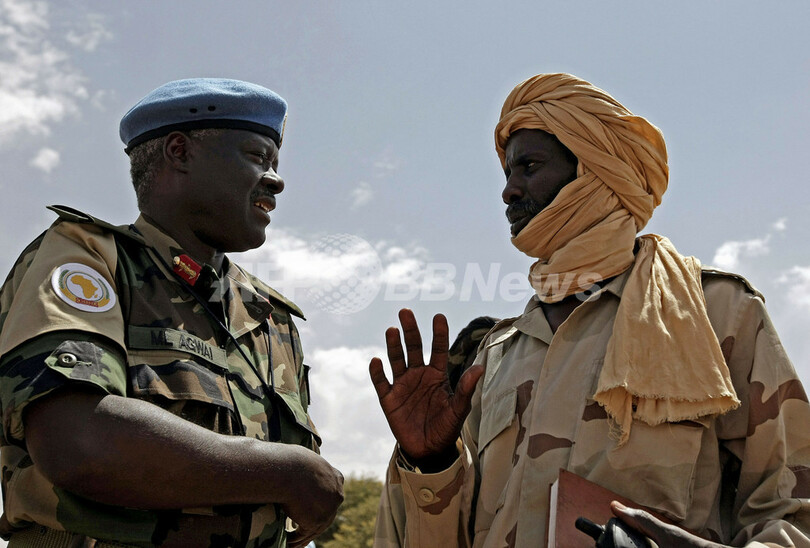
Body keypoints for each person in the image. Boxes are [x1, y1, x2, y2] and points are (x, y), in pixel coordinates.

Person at [369, 73, 810, 547]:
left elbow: (792, 512)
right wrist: (431, 467)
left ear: (593, 172)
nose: (509, 191)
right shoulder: (493, 357)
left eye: (529, 167)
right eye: (507, 173)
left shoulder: (716, 314)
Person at [0, 78, 344, 547]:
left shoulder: (269, 316)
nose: (276, 180)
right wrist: (287, 473)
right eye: (257, 157)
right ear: (179, 152)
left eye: (276, 164)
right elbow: (77, 442)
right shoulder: (92, 258)